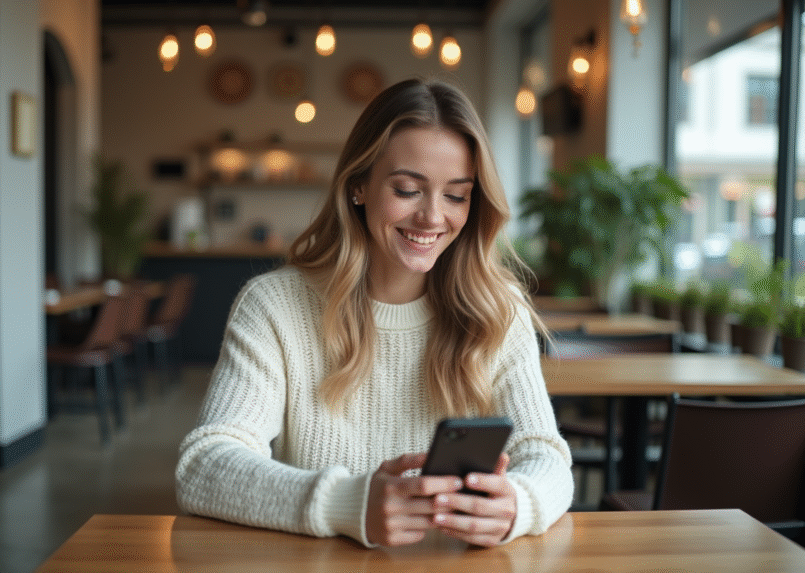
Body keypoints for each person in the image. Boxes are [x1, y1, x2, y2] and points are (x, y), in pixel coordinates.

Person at [176, 78, 573, 548]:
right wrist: (346, 504)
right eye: (408, 189)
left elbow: (544, 455)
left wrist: (519, 504)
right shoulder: (275, 306)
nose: (432, 217)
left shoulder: (496, 309)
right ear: (359, 185)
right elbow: (204, 464)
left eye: (456, 195)